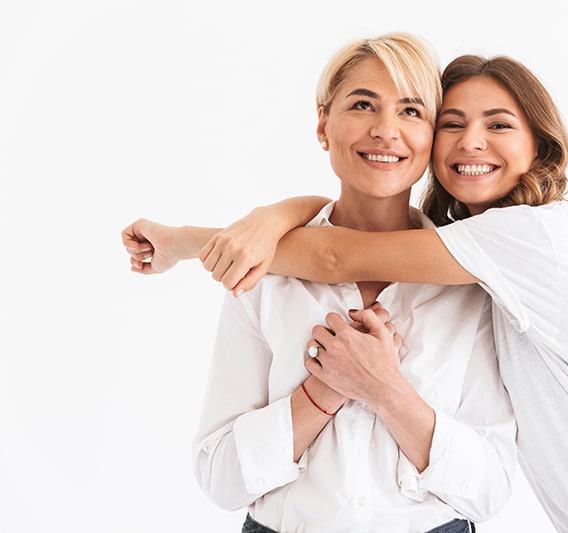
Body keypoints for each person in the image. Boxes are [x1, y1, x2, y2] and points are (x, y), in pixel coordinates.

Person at [123, 53, 568, 533]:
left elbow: (336, 254)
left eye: (498, 124)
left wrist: (186, 240)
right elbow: (220, 473)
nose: (470, 142)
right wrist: (277, 216)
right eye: (454, 122)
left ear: (539, 145)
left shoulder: (530, 239)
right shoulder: (470, 261)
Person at [124, 33, 519, 533]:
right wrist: (322, 393)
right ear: (322, 124)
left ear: (433, 135)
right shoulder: (263, 274)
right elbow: (219, 478)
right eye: (362, 104)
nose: (385, 130)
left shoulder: (472, 286)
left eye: (411, 111)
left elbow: (490, 489)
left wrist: (384, 390)